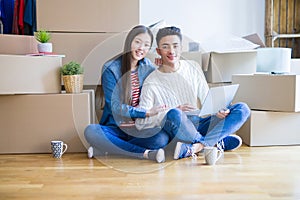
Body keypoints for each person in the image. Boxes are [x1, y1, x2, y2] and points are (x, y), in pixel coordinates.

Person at [135, 26, 251, 160]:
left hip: (200, 121)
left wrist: (218, 111)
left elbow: (208, 100)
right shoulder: (151, 82)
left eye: (175, 46)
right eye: (166, 47)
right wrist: (172, 110)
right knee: (175, 114)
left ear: (181, 48)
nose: (171, 51)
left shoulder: (193, 67)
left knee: (242, 109)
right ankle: (215, 142)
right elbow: (140, 123)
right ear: (158, 51)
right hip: (178, 127)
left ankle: (197, 147)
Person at [84, 25, 169, 163]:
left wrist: (163, 67)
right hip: (116, 129)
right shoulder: (111, 68)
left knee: (162, 139)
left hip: (138, 129)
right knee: (91, 131)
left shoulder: (148, 67)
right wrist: (145, 113)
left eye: (146, 45)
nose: (141, 48)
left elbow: (165, 85)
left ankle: (106, 149)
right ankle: (144, 154)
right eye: (137, 42)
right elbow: (115, 107)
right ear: (129, 41)